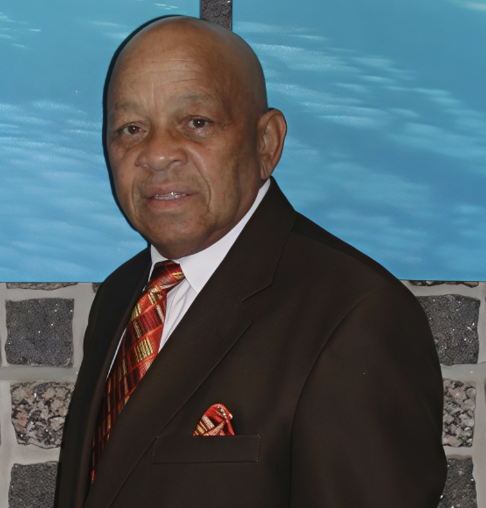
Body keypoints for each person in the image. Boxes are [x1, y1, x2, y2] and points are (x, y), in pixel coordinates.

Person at [57, 15, 447, 508]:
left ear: (266, 143)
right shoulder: (120, 295)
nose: (156, 154)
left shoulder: (356, 318)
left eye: (196, 122)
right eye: (131, 128)